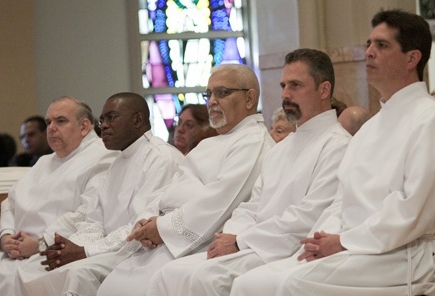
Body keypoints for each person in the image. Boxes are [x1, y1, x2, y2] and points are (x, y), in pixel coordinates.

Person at [230, 9, 435, 296]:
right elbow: (342, 200)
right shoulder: (371, 127)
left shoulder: (428, 119)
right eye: (368, 44)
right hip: (354, 246)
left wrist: (344, 241)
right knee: (248, 283)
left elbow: (411, 210)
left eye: (382, 45)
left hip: (404, 253)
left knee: (290, 285)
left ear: (412, 58)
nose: (370, 53)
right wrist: (321, 238)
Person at [148, 48, 352, 296]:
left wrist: (240, 241)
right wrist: (231, 235)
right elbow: (251, 206)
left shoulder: (338, 145)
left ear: (324, 90)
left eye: (295, 85)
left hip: (281, 247)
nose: (285, 94)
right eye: (283, 85)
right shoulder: (281, 148)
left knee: (207, 279)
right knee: (169, 274)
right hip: (252, 243)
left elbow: (309, 215)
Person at [84, 63, 275, 296]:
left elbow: (219, 202)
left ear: (249, 98)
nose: (212, 101)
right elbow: (169, 189)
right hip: (163, 237)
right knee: (111, 286)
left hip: (194, 241)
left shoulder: (252, 141)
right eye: (209, 94)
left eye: (222, 92)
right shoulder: (211, 142)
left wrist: (162, 228)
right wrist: (147, 219)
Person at [13, 92, 184, 295]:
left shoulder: (161, 158)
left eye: (111, 117)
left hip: (142, 252)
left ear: (138, 119)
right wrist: (70, 246)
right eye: (102, 119)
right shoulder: (118, 162)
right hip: (110, 250)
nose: (103, 125)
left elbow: (140, 228)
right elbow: (96, 220)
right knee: (37, 267)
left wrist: (83, 251)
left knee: (77, 273)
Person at [0, 96, 118, 295]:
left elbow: (89, 212)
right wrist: (6, 236)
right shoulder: (44, 161)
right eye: (48, 122)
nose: (51, 128)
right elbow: (11, 201)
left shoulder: (103, 157)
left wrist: (40, 243)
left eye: (60, 121)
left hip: (55, 253)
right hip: (18, 254)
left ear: (84, 126)